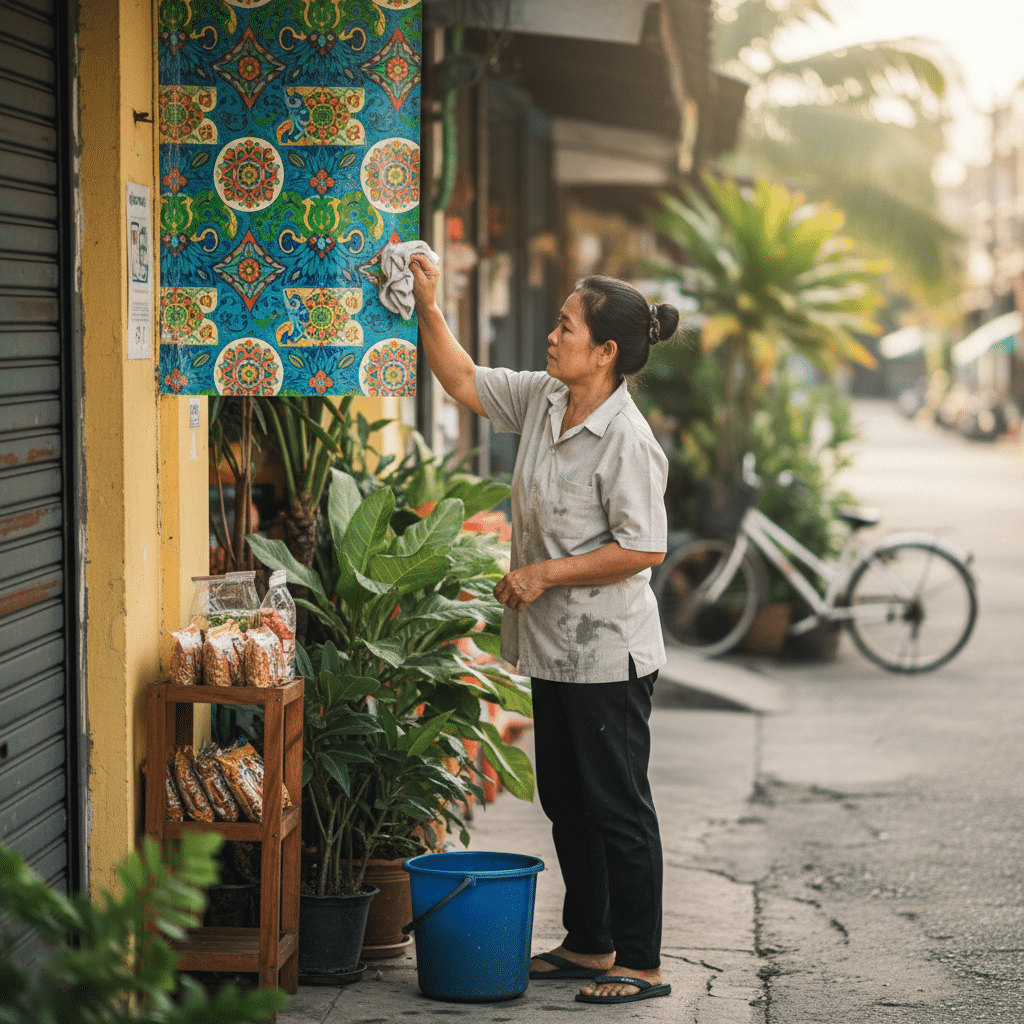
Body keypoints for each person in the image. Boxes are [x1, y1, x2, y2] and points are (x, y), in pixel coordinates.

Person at [410, 254, 678, 1005]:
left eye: (566, 325)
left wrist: (544, 574)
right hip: (554, 649)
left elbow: (645, 547)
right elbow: (462, 380)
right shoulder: (542, 398)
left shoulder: (626, 438)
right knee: (566, 797)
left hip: (608, 652)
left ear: (606, 352)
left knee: (618, 806)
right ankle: (590, 943)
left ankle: (642, 961)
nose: (552, 335)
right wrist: (430, 306)